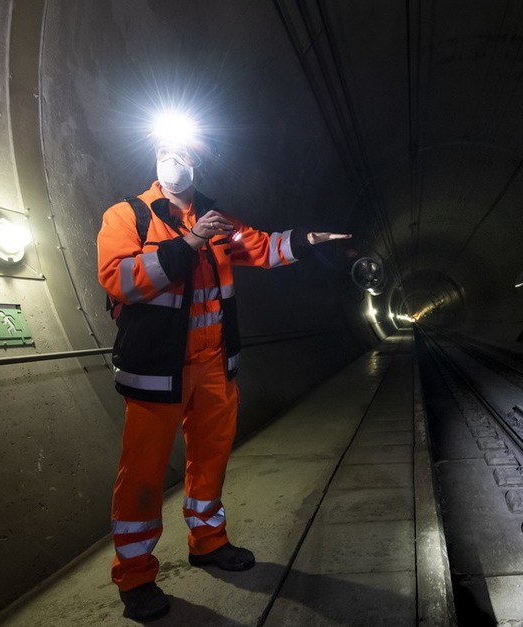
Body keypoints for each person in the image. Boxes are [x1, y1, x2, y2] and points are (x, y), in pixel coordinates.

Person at [96, 136, 350, 621]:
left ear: (199, 163)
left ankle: (208, 541)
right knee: (142, 478)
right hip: (156, 371)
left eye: (185, 153)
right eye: (167, 149)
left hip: (214, 367)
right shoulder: (128, 216)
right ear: (154, 156)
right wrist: (188, 244)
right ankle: (135, 578)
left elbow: (264, 247)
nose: (175, 160)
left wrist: (309, 240)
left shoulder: (219, 221)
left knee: (209, 462)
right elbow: (120, 279)